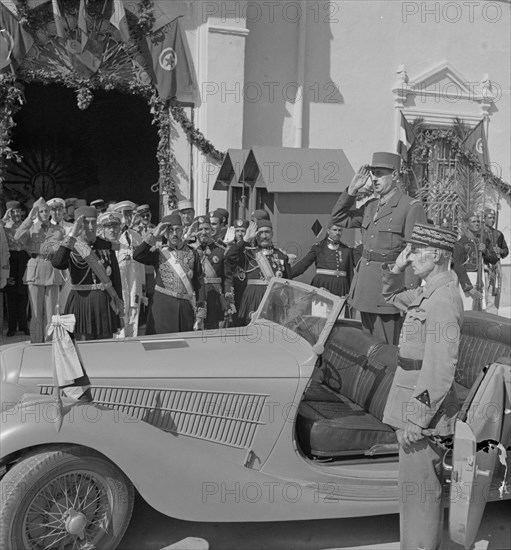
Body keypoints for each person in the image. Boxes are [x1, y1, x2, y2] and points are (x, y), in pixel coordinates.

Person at [381, 223, 461, 550]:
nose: (411, 256)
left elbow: (441, 367)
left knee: (421, 497)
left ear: (438, 254)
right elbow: (388, 296)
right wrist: (397, 268)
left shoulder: (442, 299)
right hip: (411, 403)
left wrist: (417, 418)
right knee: (413, 494)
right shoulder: (430, 290)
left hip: (425, 414)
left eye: (416, 251)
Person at [330, 152, 427, 344]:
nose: (375, 178)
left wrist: (408, 296)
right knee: (364, 345)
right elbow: (338, 219)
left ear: (396, 175)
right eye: (373, 173)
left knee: (385, 349)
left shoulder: (410, 206)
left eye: (380, 173)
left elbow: (416, 251)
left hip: (389, 290)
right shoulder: (370, 206)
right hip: (365, 286)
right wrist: (352, 190)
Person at [51, 206, 123, 341]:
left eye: (93, 222)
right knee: (83, 348)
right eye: (85, 222)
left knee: (105, 347)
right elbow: (58, 263)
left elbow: (116, 278)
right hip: (80, 303)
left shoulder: (106, 245)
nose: (90, 226)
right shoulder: (71, 245)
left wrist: (120, 308)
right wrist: (72, 234)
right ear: (78, 224)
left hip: (104, 303)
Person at [133, 213, 206, 334]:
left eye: (178, 230)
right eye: (170, 230)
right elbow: (137, 255)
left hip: (185, 308)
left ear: (183, 231)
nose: (175, 234)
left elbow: (199, 283)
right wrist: (154, 235)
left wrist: (201, 312)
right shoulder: (158, 252)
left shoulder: (193, 253)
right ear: (165, 233)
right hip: (162, 308)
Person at [14, 197, 66, 343]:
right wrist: (29, 219)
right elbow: (17, 237)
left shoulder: (59, 230)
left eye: (46, 211)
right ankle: (36, 342)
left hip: (52, 270)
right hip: (35, 270)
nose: (44, 213)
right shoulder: (30, 228)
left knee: (51, 313)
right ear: (35, 212)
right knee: (36, 312)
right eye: (40, 211)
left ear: (50, 212)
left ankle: (50, 342)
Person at [225, 219, 291, 325]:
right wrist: (246, 239)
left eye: (267, 232)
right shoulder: (248, 254)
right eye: (260, 233)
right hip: (254, 299)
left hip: (274, 300)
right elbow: (229, 256)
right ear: (255, 235)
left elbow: (288, 281)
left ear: (272, 234)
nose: (264, 236)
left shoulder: (280, 255)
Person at [99, 210, 145, 338]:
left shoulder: (130, 244)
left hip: (128, 292)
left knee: (128, 329)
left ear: (120, 227)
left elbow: (136, 272)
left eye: (115, 227)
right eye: (108, 227)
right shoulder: (97, 249)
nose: (112, 230)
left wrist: (136, 299)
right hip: (107, 297)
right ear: (103, 229)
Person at [291, 221, 354, 299]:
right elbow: (304, 264)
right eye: (334, 230)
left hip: (341, 287)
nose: (337, 233)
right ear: (328, 231)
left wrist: (351, 292)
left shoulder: (346, 250)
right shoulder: (319, 247)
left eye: (340, 230)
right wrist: (288, 274)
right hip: (322, 284)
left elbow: (350, 274)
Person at [192, 216, 233, 329]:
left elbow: (227, 278)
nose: (203, 232)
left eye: (206, 229)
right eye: (200, 229)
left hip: (214, 298)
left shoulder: (221, 251)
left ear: (212, 231)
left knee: (213, 330)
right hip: (196, 297)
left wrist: (228, 297)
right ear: (195, 232)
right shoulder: (191, 251)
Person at [452, 212, 497, 311]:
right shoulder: (460, 244)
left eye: (478, 221)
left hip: (483, 278)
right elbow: (457, 264)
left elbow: (494, 259)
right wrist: (468, 287)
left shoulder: (484, 241)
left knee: (482, 310)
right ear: (467, 224)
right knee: (467, 309)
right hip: (467, 279)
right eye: (474, 221)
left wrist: (485, 251)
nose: (477, 223)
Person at [2, 201, 30, 337]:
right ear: (8, 213)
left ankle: (24, 326)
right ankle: (12, 327)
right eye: (12, 211)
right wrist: (3, 219)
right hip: (11, 261)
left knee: (24, 296)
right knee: (11, 297)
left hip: (24, 260)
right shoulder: (4, 226)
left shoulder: (27, 225)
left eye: (18, 211)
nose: (16, 214)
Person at [482, 207, 509, 314]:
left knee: (495, 292)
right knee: (483, 292)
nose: (492, 220)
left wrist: (501, 250)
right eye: (489, 217)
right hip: (484, 265)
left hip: (496, 265)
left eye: (494, 218)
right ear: (484, 218)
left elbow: (506, 250)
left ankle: (493, 315)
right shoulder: (479, 234)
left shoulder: (498, 234)